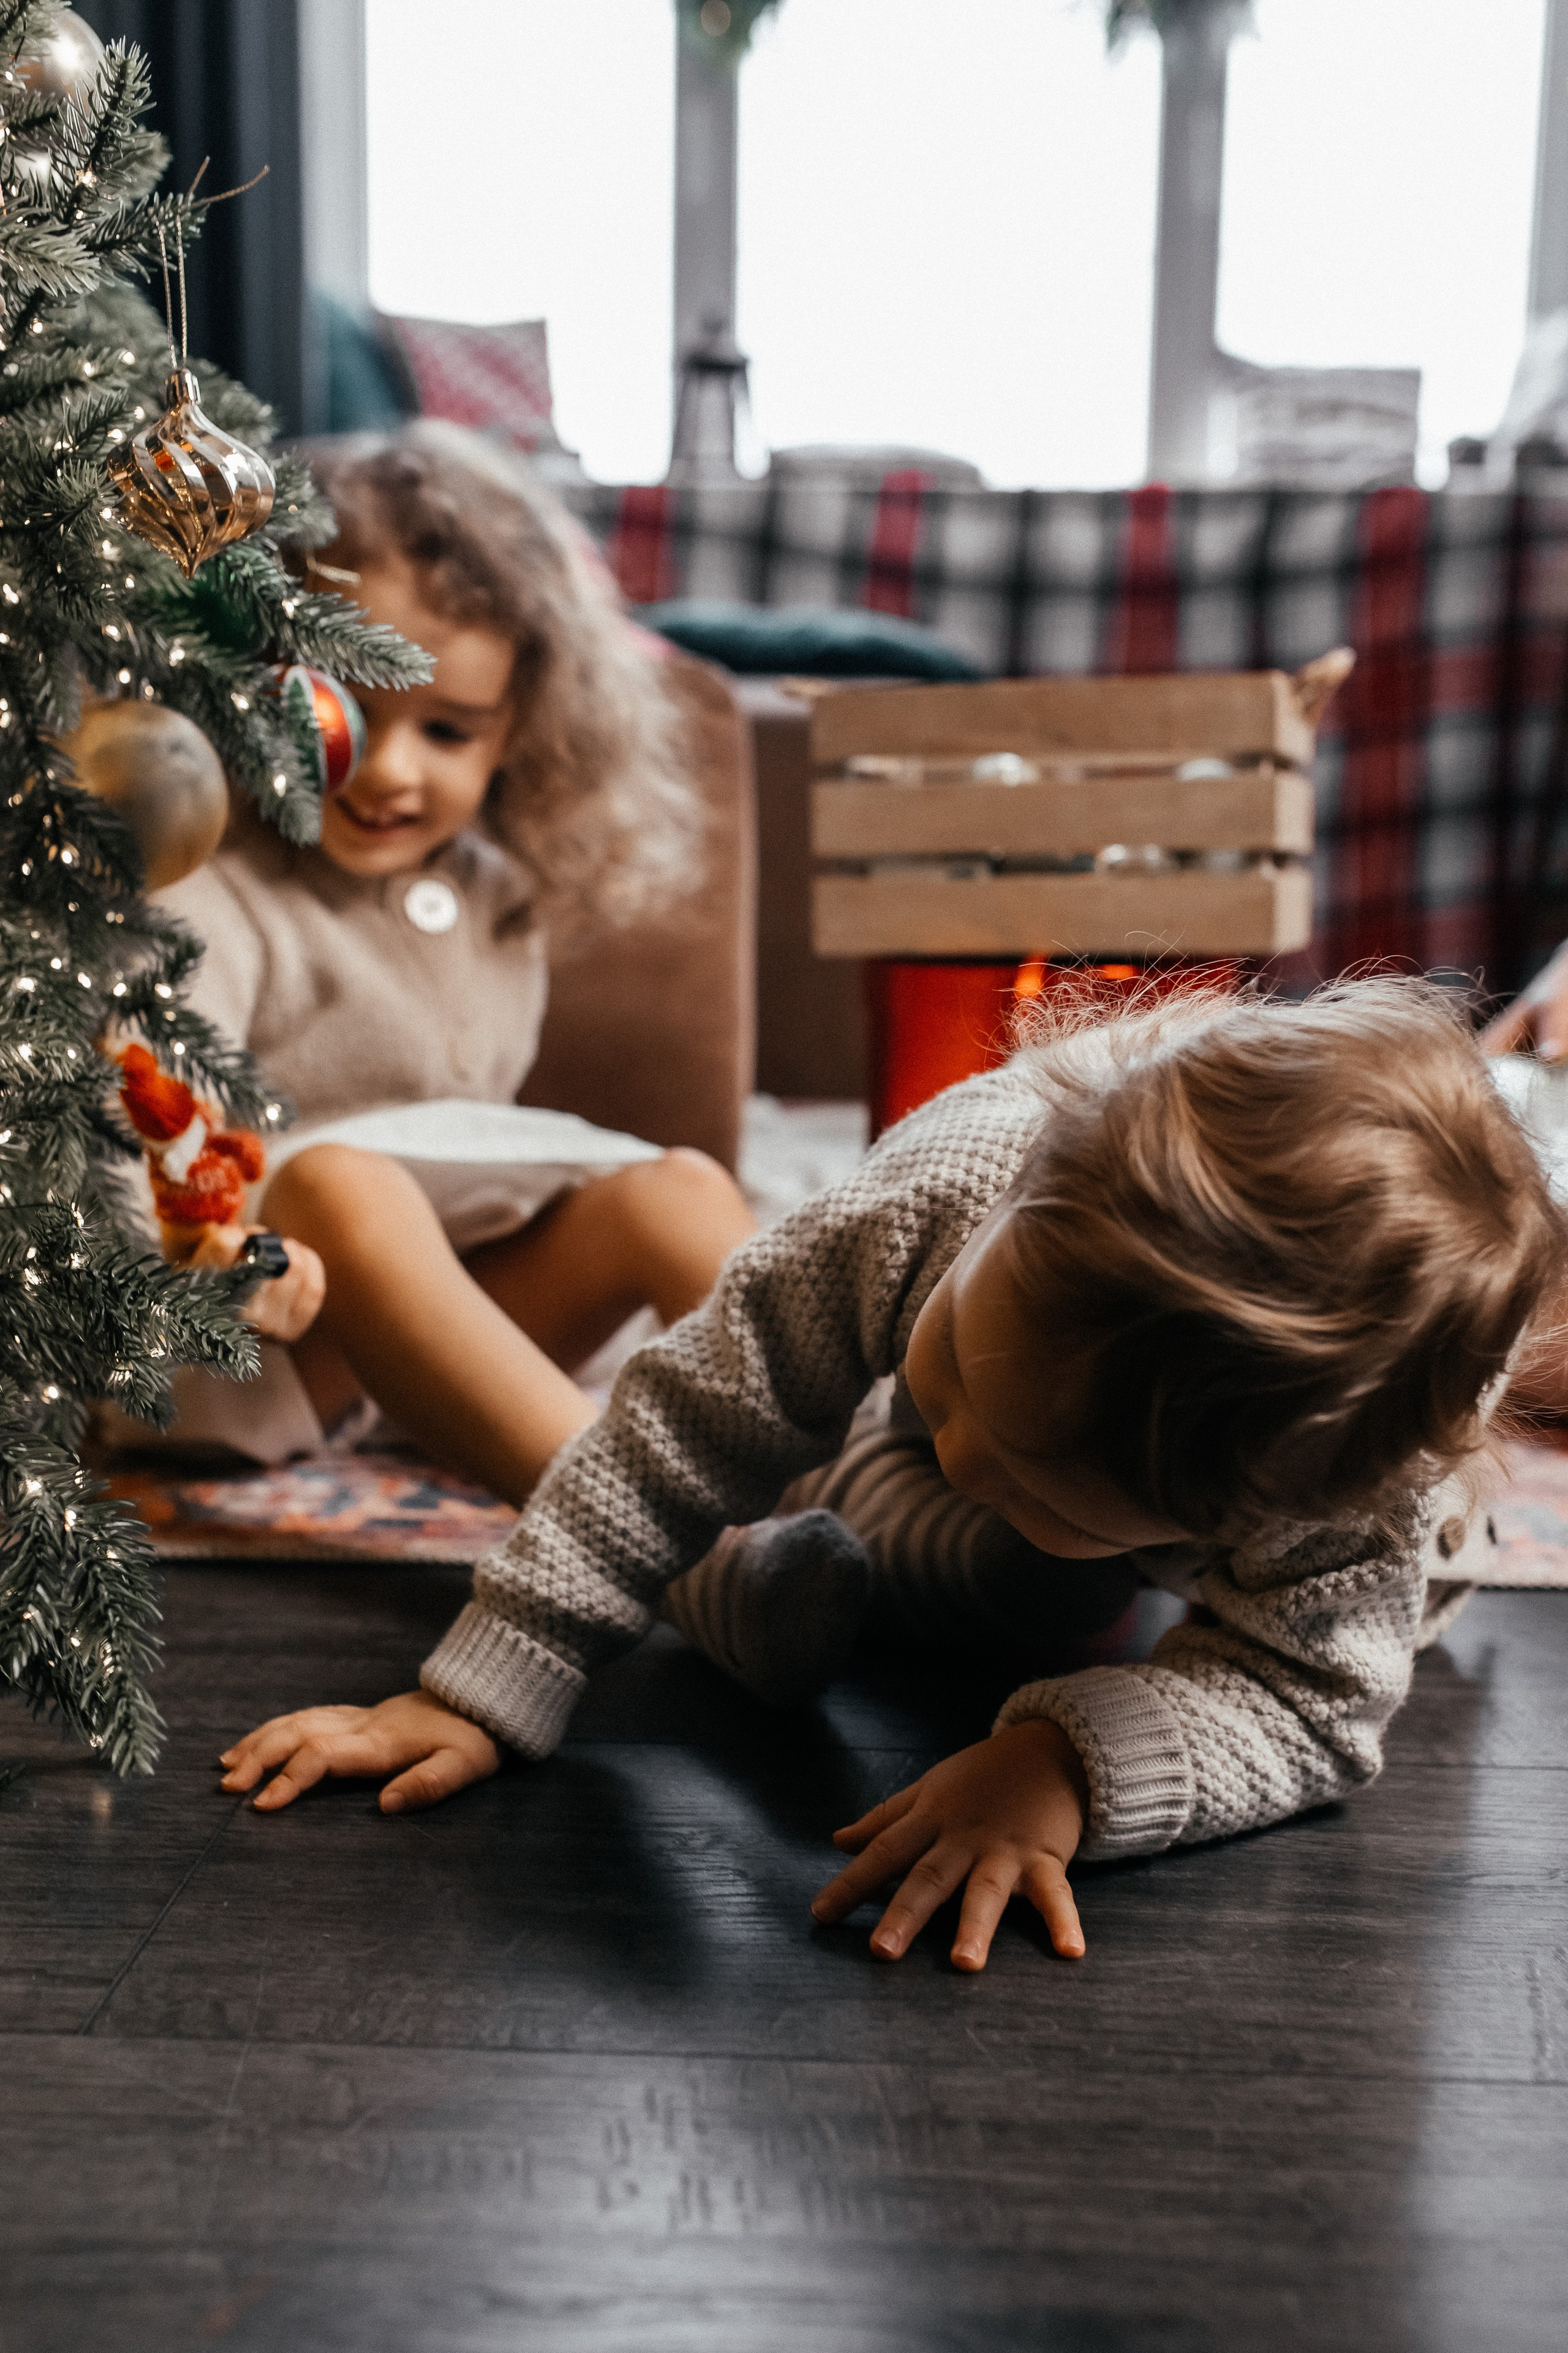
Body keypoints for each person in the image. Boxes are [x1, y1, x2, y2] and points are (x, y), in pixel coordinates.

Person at [217, 977, 1566, 1973]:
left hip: (1191, 1535)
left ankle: (929, 1548)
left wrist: (1063, 1762)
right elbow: (694, 1411)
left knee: (1026, 1592)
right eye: (963, 1364)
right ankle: (849, 1538)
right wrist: (496, 1677)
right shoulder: (957, 1176)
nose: (972, 1442)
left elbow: (1313, 1703)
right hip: (956, 1408)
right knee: (899, 1449)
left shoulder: (1339, 1505)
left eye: (1036, 1473)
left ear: (1230, 1524)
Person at [138, 423, 756, 1501]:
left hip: (438, 1334)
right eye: (342, 712)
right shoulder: (216, 882)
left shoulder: (493, 893)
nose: (389, 772)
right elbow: (151, 1115)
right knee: (345, 1187)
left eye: (450, 732)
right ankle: (622, 1526)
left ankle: (876, 1489)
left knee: (682, 1192)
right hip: (264, 1349)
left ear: (520, 731)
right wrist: (219, 1252)